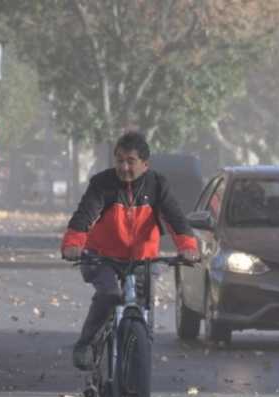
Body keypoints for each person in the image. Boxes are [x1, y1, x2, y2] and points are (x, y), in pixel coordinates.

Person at [61, 131, 198, 369]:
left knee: (142, 302)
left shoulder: (157, 185)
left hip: (143, 260)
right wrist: (73, 244)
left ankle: (142, 345)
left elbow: (176, 219)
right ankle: (87, 343)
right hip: (102, 258)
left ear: (145, 164)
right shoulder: (102, 183)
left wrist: (188, 248)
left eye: (130, 161)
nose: (124, 167)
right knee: (110, 295)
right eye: (119, 160)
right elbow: (85, 215)